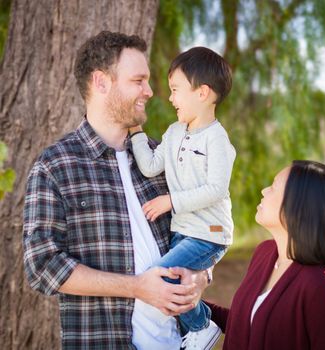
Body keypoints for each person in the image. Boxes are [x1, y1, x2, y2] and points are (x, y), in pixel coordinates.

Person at [23, 31, 210, 349]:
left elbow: (204, 228)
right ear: (101, 82)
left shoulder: (163, 157)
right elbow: (42, 266)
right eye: (138, 80)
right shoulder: (55, 166)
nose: (150, 91)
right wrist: (137, 287)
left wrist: (201, 276)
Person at [128, 46, 235, 349]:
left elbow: (215, 189)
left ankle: (202, 325)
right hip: (184, 232)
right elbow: (149, 166)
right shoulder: (175, 132)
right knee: (176, 281)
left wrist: (171, 201)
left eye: (176, 90)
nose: (171, 98)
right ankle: (196, 326)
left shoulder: (217, 139)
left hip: (209, 234)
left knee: (158, 277)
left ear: (202, 93)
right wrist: (135, 132)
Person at [206, 160, 325, 350]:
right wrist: (193, 306)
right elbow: (250, 323)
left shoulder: (321, 286)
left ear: (298, 205)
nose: (264, 191)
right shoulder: (265, 253)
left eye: (274, 186)